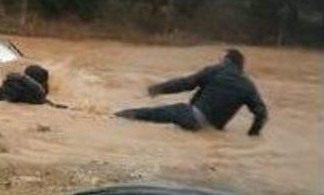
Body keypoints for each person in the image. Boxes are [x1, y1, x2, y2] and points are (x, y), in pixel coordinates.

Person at [115, 48, 268, 135]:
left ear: (227, 60)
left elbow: (186, 84)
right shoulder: (249, 85)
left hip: (191, 116)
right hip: (211, 130)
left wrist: (157, 89)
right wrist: (252, 135)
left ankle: (113, 117)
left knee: (145, 114)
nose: (218, 61)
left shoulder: (216, 70)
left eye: (221, 59)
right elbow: (261, 114)